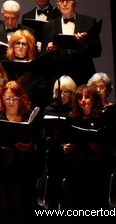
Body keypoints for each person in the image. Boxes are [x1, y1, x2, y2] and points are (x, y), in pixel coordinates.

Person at [0, 81, 45, 223]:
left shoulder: (30, 118)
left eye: (14, 98)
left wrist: (32, 148)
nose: (11, 102)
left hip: (23, 176)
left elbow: (42, 145)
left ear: (21, 99)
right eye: (7, 98)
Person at [60, 85, 113, 213]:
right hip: (76, 168)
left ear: (93, 99)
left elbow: (110, 145)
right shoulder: (71, 118)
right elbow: (62, 141)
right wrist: (65, 147)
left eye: (87, 97)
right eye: (80, 98)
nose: (83, 100)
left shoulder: (102, 119)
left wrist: (100, 150)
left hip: (96, 170)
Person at [41, 0, 102, 87]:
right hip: (59, 75)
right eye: (61, 1)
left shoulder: (89, 22)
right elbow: (42, 55)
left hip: (83, 74)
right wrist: (48, 50)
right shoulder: (49, 26)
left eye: (68, 1)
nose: (65, 4)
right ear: (58, 5)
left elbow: (97, 52)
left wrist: (85, 42)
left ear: (75, 3)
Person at [42, 75, 76, 211]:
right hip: (54, 155)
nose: (62, 95)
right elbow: (43, 136)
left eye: (66, 92)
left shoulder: (76, 109)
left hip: (73, 156)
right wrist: (53, 139)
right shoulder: (49, 109)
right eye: (59, 92)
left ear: (72, 93)